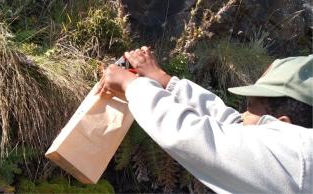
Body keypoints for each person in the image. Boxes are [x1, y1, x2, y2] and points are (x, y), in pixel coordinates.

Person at [97, 47, 313, 194]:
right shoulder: (297, 158)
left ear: (283, 125)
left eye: (249, 109)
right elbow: (231, 127)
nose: (243, 115)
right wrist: (166, 82)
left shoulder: (300, 157)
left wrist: (131, 85)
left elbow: (194, 136)